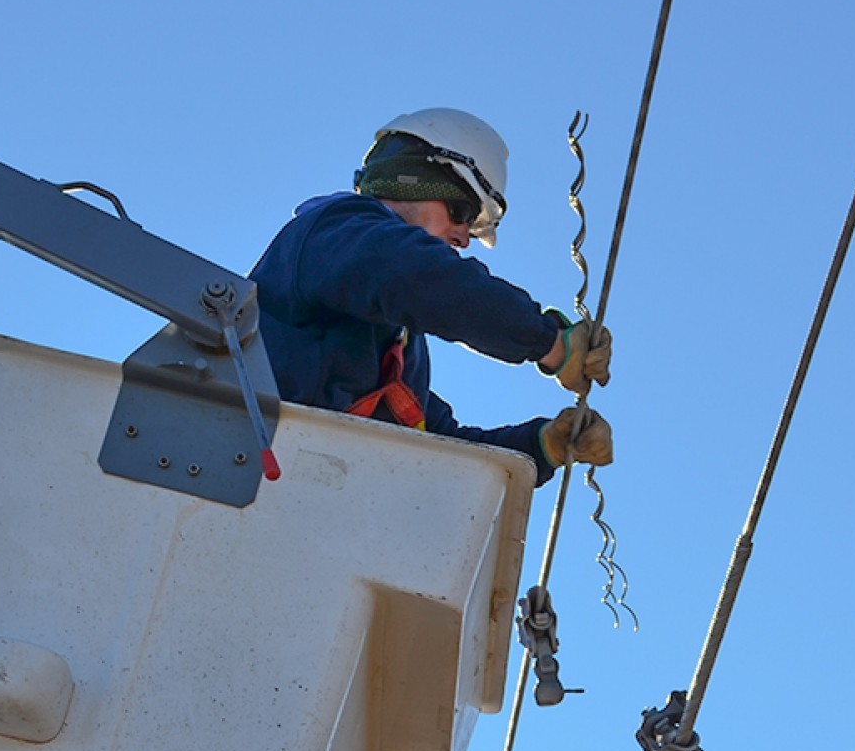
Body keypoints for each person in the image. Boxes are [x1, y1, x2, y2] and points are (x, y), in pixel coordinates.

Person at [249, 107, 613, 484]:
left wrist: (542, 447)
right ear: (414, 180)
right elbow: (419, 277)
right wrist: (550, 342)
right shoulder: (334, 233)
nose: (463, 238)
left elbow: (442, 450)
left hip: (311, 508)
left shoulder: (398, 350)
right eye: (461, 211)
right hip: (246, 476)